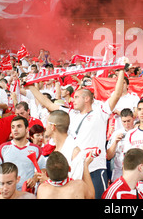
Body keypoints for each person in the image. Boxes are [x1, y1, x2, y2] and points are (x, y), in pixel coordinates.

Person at [27, 66, 126, 199]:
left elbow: (117, 94)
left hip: (95, 168)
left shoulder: (100, 112)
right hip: (75, 169)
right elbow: (49, 105)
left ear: (87, 99)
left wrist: (121, 71)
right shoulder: (71, 114)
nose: (73, 100)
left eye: (77, 97)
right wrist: (31, 86)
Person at [0, 115, 46, 191]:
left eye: (19, 126)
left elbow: (43, 169)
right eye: (13, 127)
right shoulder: (3, 148)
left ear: (27, 129)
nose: (15, 130)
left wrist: (35, 179)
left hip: (27, 194)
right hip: (8, 194)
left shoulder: (35, 149)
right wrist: (1, 183)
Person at [106, 108, 135, 182]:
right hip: (118, 172)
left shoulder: (137, 132)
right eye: (124, 121)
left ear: (133, 119)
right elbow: (109, 156)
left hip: (134, 171)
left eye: (129, 121)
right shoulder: (116, 133)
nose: (127, 124)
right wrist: (115, 142)